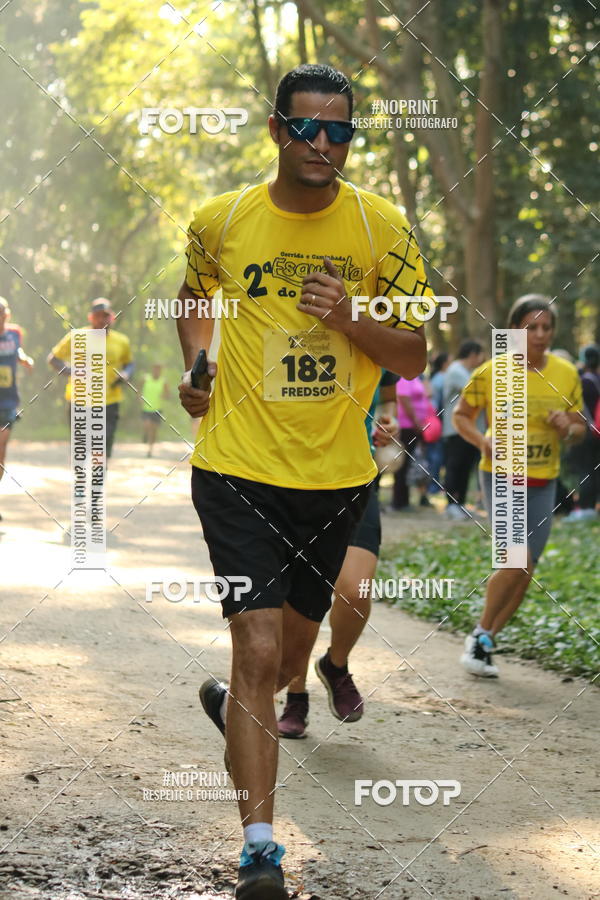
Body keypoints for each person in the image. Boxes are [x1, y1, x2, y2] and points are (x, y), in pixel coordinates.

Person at [176, 64, 431, 900]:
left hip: (334, 479)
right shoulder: (225, 221)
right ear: (277, 129)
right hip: (237, 467)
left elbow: (413, 355)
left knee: (289, 653)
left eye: (342, 131)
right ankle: (260, 851)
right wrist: (199, 362)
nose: (325, 144)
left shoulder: (381, 229)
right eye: (309, 128)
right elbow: (193, 295)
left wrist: (349, 316)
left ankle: (242, 707)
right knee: (253, 648)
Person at [453, 295, 585, 677]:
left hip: (544, 481)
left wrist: (568, 428)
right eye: (532, 328)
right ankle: (479, 634)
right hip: (501, 475)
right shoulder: (492, 372)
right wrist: (482, 441)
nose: (540, 335)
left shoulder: (566, 373)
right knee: (517, 559)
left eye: (547, 327)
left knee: (526, 570)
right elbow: (462, 416)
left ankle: (485, 642)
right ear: (515, 331)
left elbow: (579, 429)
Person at [277, 370, 400, 739]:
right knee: (298, 595)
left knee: (356, 589)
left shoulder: (371, 325)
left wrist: (387, 422)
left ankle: (335, 665)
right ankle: (295, 697)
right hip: (290, 476)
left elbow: (389, 396)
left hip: (355, 476)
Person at [48, 298, 134, 459]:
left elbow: (129, 364)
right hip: (79, 400)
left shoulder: (122, 341)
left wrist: (126, 374)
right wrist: (71, 371)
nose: (102, 320)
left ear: (112, 318)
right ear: (90, 318)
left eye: (105, 316)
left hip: (110, 401)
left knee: (103, 447)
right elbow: (53, 359)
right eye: (97, 316)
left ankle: (98, 482)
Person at [442, 340, 485, 519]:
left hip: (471, 429)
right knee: (455, 465)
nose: (483, 359)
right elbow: (477, 392)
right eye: (481, 355)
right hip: (456, 428)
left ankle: (460, 503)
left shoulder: (468, 371)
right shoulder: (456, 371)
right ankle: (451, 503)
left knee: (466, 466)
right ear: (473, 354)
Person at [0, 297, 34, 519]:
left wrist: (25, 359)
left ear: (7, 315)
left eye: (1, 313)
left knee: (1, 451)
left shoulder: (14, 334)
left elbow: (18, 352)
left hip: (7, 402)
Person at [564, 344, 600, 521]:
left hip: (586, 431)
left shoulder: (584, 381)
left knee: (585, 470)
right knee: (593, 469)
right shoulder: (597, 378)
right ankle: (592, 507)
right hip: (597, 432)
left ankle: (586, 507)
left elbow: (578, 409)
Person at [392, 374, 431, 509]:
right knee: (403, 465)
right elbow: (403, 398)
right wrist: (416, 422)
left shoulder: (415, 377)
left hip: (413, 427)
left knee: (409, 464)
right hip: (406, 427)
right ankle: (399, 502)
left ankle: (404, 500)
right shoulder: (404, 377)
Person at [425, 352, 449, 493]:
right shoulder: (442, 379)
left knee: (433, 455)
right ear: (444, 363)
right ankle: (433, 486)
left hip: (433, 422)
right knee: (436, 456)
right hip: (438, 422)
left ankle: (433, 485)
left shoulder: (434, 378)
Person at [141, 363, 170, 457]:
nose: (156, 371)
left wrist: (164, 396)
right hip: (146, 408)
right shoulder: (145, 378)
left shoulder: (163, 381)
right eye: (155, 369)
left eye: (158, 369)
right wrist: (139, 398)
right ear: (152, 369)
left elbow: (168, 394)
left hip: (157, 409)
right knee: (147, 425)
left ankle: (150, 450)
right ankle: (145, 433)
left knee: (154, 430)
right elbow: (138, 388)